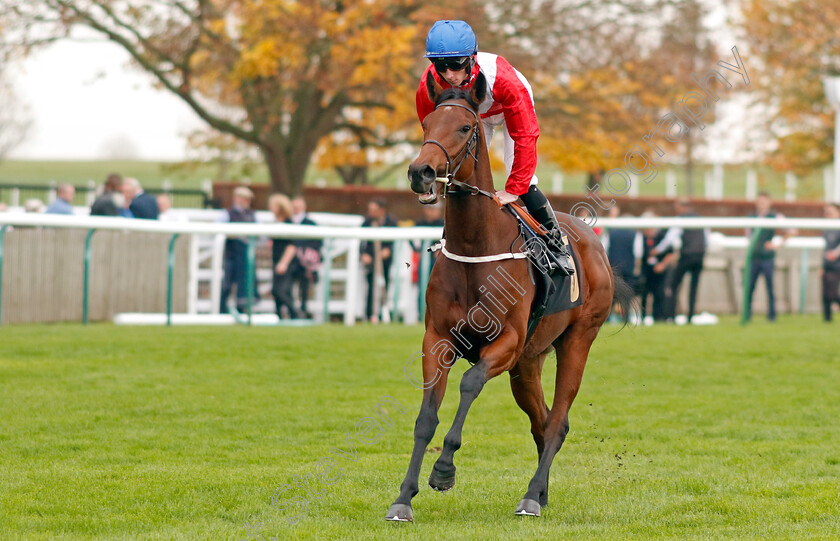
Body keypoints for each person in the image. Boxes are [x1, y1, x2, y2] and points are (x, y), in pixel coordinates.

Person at [416, 19, 574, 275]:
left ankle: (558, 247)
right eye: (440, 66)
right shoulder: (429, 86)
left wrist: (515, 188)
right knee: (459, 175)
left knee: (523, 180)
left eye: (455, 65)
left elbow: (526, 134)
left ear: (472, 58)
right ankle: (449, 246)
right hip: (473, 117)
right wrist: (431, 176)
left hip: (509, 110)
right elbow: (433, 134)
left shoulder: (505, 80)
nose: (448, 75)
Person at [652, 199, 709, 323]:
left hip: (687, 255)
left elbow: (670, 238)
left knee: (673, 285)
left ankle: (671, 316)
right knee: (694, 288)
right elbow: (706, 238)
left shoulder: (680, 218)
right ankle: (690, 317)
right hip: (699, 256)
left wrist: (657, 250)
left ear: (680, 207)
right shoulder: (700, 218)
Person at [745, 192, 793, 322]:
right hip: (753, 257)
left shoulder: (775, 216)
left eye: (764, 201)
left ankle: (772, 316)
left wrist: (776, 244)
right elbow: (748, 235)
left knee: (770, 288)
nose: (761, 204)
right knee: (749, 288)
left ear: (769, 202)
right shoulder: (751, 217)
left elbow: (792, 231)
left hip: (767, 257)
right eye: (759, 201)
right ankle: (747, 315)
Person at [219, 186, 258, 314]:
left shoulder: (252, 215)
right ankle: (222, 311)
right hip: (231, 255)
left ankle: (241, 310)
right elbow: (219, 231)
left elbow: (260, 235)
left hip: (246, 256)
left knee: (246, 283)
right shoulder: (227, 214)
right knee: (227, 284)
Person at [361, 199, 397, 323]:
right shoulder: (367, 222)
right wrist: (363, 254)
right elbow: (361, 240)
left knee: (384, 285)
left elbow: (395, 240)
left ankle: (384, 313)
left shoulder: (391, 222)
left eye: (373, 210)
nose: (371, 213)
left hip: (385, 262)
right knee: (371, 286)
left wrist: (388, 250)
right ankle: (370, 314)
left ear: (381, 210)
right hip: (371, 260)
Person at [639, 211, 676, 323]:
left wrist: (662, 265)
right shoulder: (642, 238)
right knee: (644, 294)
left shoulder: (662, 237)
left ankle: (658, 318)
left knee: (659, 294)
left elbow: (671, 253)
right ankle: (643, 317)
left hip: (660, 272)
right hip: (647, 271)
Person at [289, 196, 321, 318]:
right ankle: (291, 309)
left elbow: (317, 242)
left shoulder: (311, 223)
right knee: (288, 286)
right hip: (291, 261)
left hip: (305, 264)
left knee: (304, 287)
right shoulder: (289, 221)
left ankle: (303, 309)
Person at [268, 194, 299, 320]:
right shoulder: (276, 223)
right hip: (276, 260)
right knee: (280, 291)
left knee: (279, 290)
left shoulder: (288, 223)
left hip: (286, 262)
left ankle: (295, 314)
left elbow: (292, 246)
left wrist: (284, 263)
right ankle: (280, 316)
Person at [821, 203, 840, 322]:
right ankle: (827, 319)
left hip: (837, 265)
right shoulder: (827, 228)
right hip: (827, 265)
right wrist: (821, 265)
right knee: (825, 294)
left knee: (832, 293)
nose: (827, 215)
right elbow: (825, 248)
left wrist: (836, 253)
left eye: (830, 212)